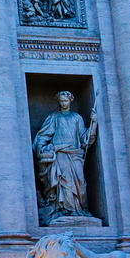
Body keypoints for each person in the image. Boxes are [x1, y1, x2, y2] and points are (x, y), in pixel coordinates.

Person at [32, 90, 99, 223]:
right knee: (63, 181)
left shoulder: (77, 118)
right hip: (60, 154)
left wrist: (94, 123)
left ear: (70, 101)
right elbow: (44, 135)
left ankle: (79, 209)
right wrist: (42, 148)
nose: (63, 103)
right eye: (61, 101)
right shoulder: (54, 117)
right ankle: (64, 209)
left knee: (80, 183)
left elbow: (85, 139)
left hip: (75, 154)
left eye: (66, 101)